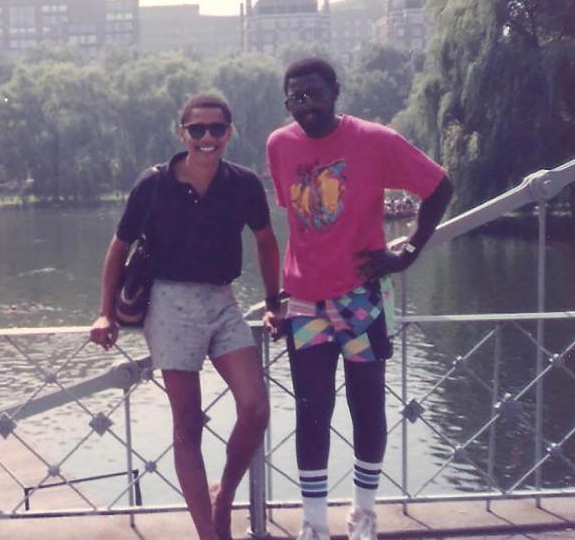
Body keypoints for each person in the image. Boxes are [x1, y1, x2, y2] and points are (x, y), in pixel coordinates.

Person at [265, 57, 453, 540]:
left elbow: (439, 186)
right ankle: (313, 523)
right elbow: (300, 223)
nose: (304, 106)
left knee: (367, 406)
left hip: (361, 299)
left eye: (313, 94)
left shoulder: (375, 141)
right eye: (294, 98)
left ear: (336, 92)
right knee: (312, 410)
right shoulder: (279, 145)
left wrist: (408, 250)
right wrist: (279, 296)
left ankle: (363, 513)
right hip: (305, 302)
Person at [90, 93, 284, 540]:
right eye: (197, 129)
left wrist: (274, 304)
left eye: (217, 129)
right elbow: (118, 248)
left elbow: (267, 242)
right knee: (188, 423)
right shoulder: (154, 184)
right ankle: (210, 535)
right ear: (183, 134)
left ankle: (225, 496)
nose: (207, 138)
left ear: (229, 132)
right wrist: (104, 314)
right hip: (169, 302)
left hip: (223, 299)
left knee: (255, 409)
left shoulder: (243, 183)